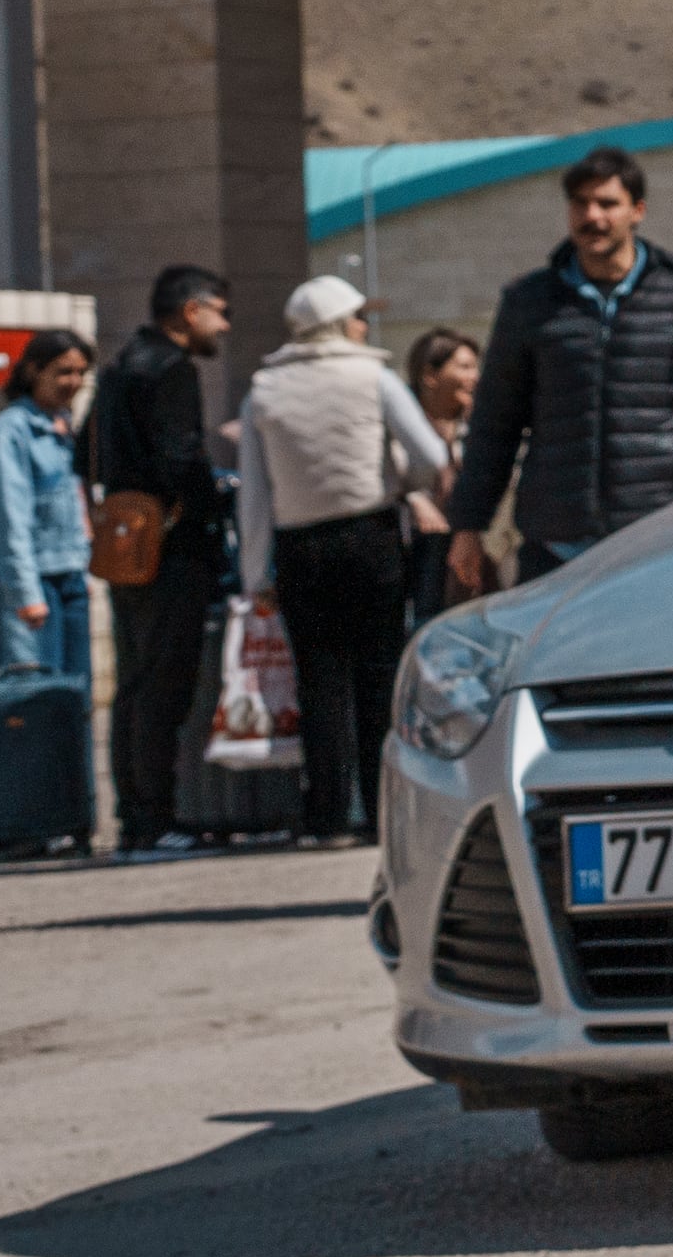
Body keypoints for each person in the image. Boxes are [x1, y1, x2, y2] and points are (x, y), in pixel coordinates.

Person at [442, 148, 673, 592]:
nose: (591, 216)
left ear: (637, 211)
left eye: (607, 204)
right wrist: (468, 526)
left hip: (666, 534)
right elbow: (495, 423)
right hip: (559, 541)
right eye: (580, 203)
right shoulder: (530, 303)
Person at [237, 274, 453, 845]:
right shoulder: (372, 377)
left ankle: (329, 815)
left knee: (320, 682)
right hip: (371, 537)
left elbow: (254, 496)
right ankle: (383, 811)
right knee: (379, 674)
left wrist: (256, 574)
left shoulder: (262, 390)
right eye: (358, 316)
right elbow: (433, 457)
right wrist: (398, 478)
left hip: (300, 547)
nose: (364, 326)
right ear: (339, 323)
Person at [84, 268, 232, 856]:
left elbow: (85, 453)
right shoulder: (172, 369)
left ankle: (134, 816)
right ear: (189, 312)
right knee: (167, 685)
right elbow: (180, 457)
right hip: (171, 549)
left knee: (135, 682)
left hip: (127, 545)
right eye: (217, 311)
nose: (223, 324)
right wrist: (210, 505)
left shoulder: (120, 368)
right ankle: (157, 819)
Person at [0, 329, 96, 692]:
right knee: (34, 699)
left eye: (80, 373)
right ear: (33, 371)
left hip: (70, 574)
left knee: (76, 696)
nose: (73, 382)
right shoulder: (11, 430)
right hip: (29, 582)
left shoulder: (65, 427)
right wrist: (27, 594)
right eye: (63, 371)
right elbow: (9, 517)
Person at [398, 326, 485, 626]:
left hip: (476, 559)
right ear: (430, 375)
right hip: (416, 558)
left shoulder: (477, 425)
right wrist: (414, 498)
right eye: (464, 367)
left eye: (476, 367)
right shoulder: (401, 426)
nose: (474, 377)